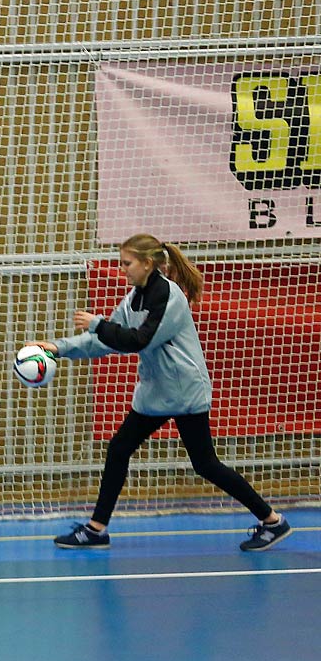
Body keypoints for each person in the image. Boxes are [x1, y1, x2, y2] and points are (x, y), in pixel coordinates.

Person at [36, 235, 291, 553]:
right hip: (157, 393)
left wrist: (98, 324)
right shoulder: (133, 300)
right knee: (119, 449)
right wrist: (58, 347)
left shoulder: (169, 297)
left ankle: (272, 521)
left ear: (147, 263)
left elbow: (140, 340)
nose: (123, 269)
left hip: (184, 392)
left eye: (127, 263)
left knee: (205, 464)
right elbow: (107, 339)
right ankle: (96, 529)